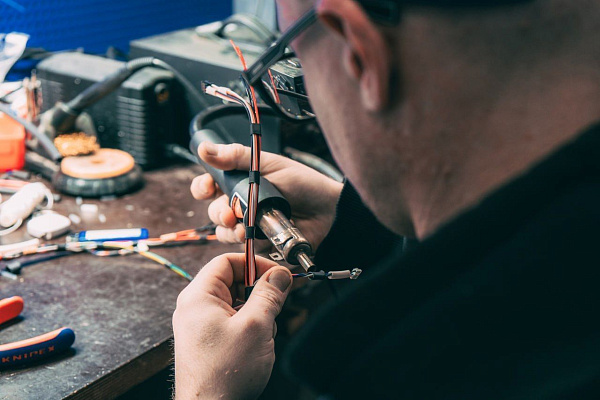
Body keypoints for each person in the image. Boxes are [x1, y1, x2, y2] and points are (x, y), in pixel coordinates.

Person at [173, 0, 600, 398]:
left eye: (297, 67)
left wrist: (206, 390)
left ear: (361, 55)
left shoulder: (411, 378)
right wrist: (355, 223)